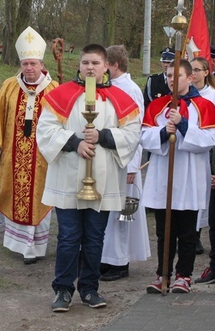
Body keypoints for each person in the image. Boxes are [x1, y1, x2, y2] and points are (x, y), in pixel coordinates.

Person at [37, 43, 141, 312]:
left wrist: (105, 136)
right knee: (69, 237)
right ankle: (62, 289)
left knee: (95, 238)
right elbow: (46, 130)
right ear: (79, 65)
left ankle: (90, 289)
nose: (90, 67)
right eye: (86, 63)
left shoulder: (120, 99)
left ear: (107, 65)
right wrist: (75, 143)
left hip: (103, 178)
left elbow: (132, 133)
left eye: (96, 63)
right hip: (68, 176)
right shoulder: (62, 95)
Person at [142, 58, 215, 294]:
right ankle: (162, 274)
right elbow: (144, 136)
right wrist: (163, 133)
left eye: (176, 76)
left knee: (187, 231)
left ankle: (184, 275)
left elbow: (209, 140)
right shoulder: (157, 106)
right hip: (163, 174)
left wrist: (183, 124)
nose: (170, 80)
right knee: (164, 231)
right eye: (167, 76)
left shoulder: (203, 106)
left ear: (190, 78)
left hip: (189, 174)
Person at [0, 27, 58, 264]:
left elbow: (63, 124)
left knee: (40, 198)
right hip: (13, 157)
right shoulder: (9, 86)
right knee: (14, 194)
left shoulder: (54, 91)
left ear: (41, 64)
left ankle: (35, 247)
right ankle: (20, 244)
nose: (29, 68)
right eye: (25, 64)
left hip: (43, 159)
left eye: (33, 63)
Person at [100, 45, 151, 281]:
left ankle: (120, 262)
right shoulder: (107, 87)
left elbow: (136, 129)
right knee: (107, 213)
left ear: (114, 65)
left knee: (123, 213)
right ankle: (106, 258)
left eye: (103, 64)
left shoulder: (129, 90)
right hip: (108, 160)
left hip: (125, 162)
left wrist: (132, 165)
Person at [188, 55, 215, 277]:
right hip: (190, 144)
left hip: (209, 148)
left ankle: (198, 234)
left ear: (205, 72)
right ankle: (191, 234)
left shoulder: (213, 96)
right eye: (190, 69)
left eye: (197, 69)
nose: (193, 73)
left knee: (205, 194)